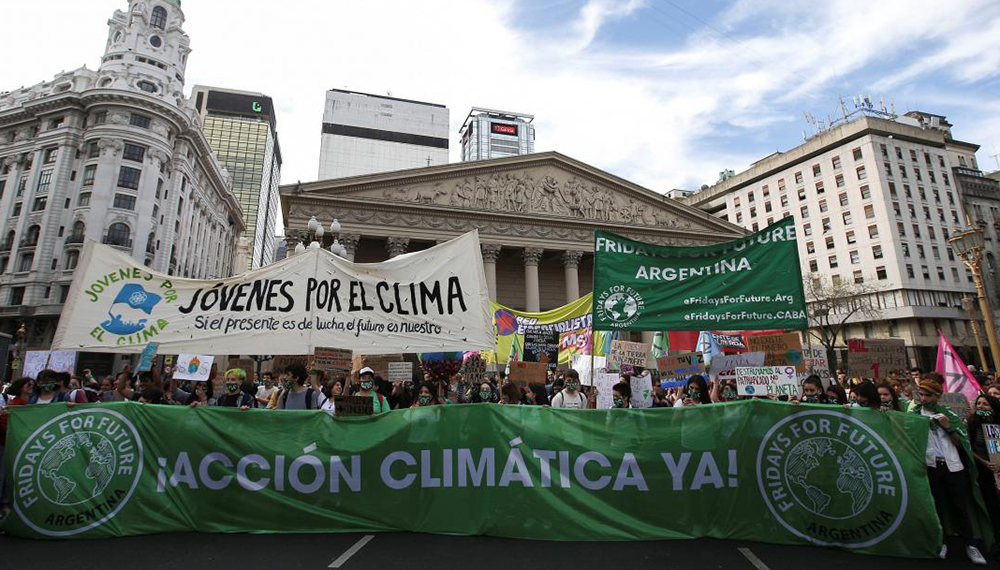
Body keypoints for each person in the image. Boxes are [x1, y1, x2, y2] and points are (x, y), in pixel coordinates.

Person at [911, 378, 988, 564]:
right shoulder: (914, 415)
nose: (924, 398)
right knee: (936, 506)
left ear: (937, 396)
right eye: (922, 394)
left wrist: (948, 427)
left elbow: (962, 444)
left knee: (959, 506)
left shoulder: (948, 414)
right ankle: (942, 542)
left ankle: (970, 545)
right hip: (931, 466)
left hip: (952, 466)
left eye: (928, 395)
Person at [967, 393, 1000, 549]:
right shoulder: (972, 424)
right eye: (979, 404)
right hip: (983, 471)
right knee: (992, 506)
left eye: (985, 404)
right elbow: (968, 447)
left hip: (998, 471)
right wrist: (985, 462)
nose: (981, 407)